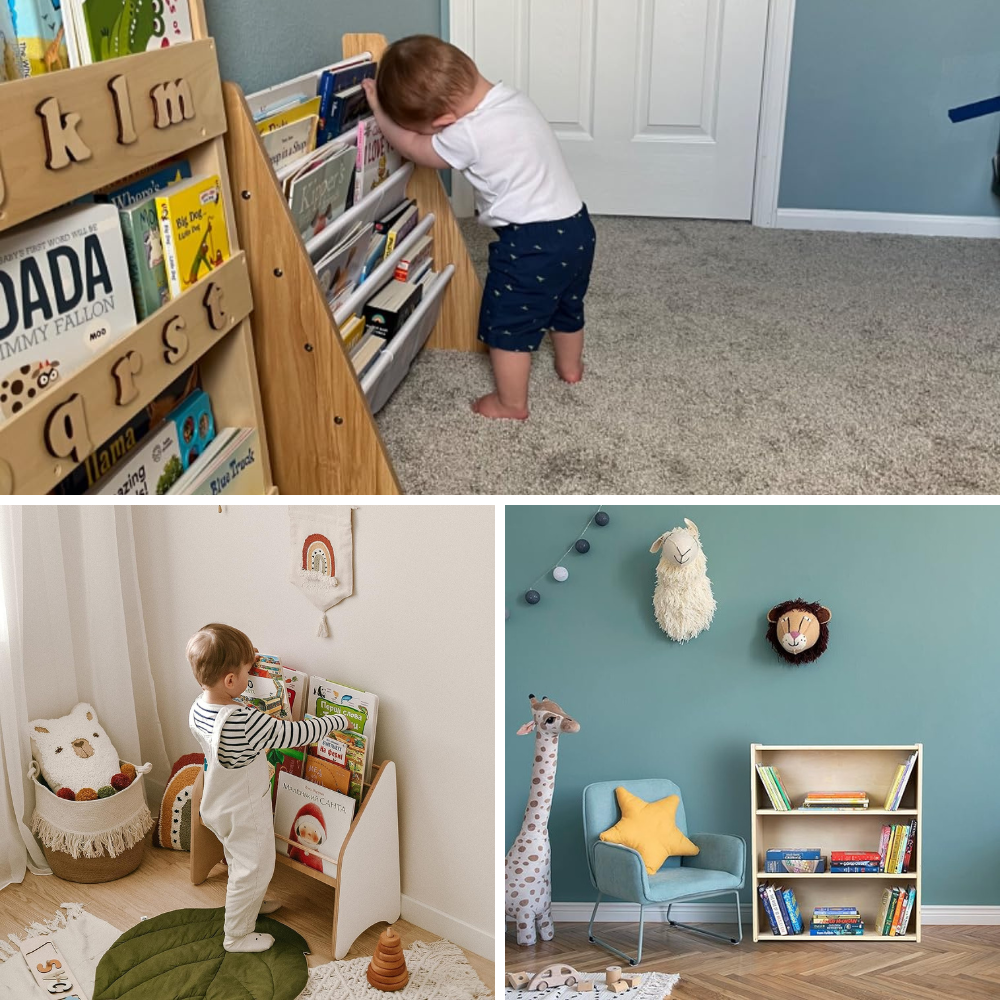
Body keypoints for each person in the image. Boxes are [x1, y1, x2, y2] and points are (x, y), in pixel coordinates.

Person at [362, 35, 596, 420]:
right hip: (577, 227)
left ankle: (510, 403)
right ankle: (570, 368)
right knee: (566, 304)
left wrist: (378, 111)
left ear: (443, 123)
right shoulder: (513, 98)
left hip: (531, 242)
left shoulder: (464, 133)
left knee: (508, 321)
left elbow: (413, 148)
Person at [187, 623, 349, 952]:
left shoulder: (200, 708)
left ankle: (247, 903)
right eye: (248, 673)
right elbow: (293, 735)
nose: (250, 677)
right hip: (244, 810)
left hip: (216, 804)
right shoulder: (245, 722)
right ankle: (236, 936)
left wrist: (247, 662)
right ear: (230, 681)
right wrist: (337, 721)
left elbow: (231, 706)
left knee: (239, 860)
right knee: (256, 867)